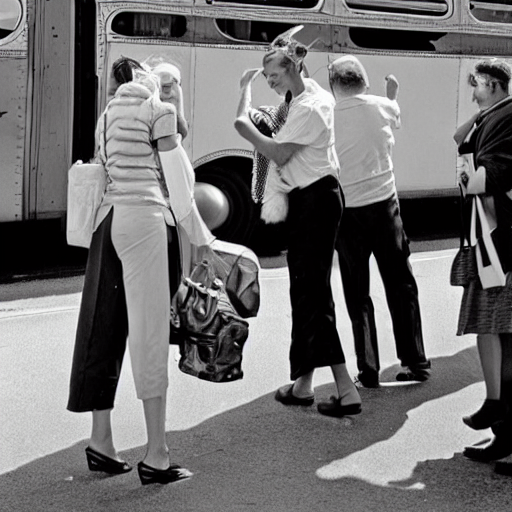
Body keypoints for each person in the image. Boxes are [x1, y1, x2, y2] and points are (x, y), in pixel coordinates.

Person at [67, 60, 192, 485]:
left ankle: (101, 440)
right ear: (148, 79)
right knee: (149, 333)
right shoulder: (158, 109)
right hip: (144, 219)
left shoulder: (106, 116)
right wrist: (203, 238)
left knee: (103, 328)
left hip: (107, 221)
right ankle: (157, 454)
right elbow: (177, 183)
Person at [234, 28, 361, 418]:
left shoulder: (309, 107)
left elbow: (278, 152)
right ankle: (304, 383)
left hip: (316, 201)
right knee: (306, 291)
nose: (269, 83)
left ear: (292, 68)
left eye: (273, 76)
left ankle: (346, 389)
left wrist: (242, 113)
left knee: (313, 292)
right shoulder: (303, 99)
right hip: (311, 200)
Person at [328, 55, 431, 388]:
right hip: (385, 208)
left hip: (348, 214)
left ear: (334, 86)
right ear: (365, 83)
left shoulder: (326, 114)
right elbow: (392, 113)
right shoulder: (383, 106)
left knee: (357, 294)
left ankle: (368, 368)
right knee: (401, 284)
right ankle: (416, 361)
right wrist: (391, 93)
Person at [453, 58, 512, 475]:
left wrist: (469, 176)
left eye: (476, 85)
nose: (472, 91)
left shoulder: (506, 119)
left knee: (500, 330)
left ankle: (499, 410)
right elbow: (461, 141)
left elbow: (491, 175)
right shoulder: (496, 114)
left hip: (499, 238)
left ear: (491, 84)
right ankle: (504, 433)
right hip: (492, 236)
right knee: (501, 333)